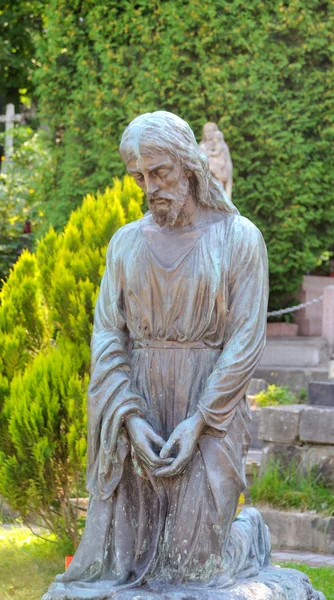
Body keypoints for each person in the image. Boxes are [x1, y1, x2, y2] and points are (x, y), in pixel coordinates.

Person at [43, 111, 269, 600]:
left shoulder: (239, 239)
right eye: (139, 177)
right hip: (141, 409)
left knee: (192, 565)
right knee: (124, 563)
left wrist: (201, 422)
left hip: (210, 410)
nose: (150, 187)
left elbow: (246, 339)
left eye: (160, 172)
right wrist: (126, 417)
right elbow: (108, 335)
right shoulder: (125, 243)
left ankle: (246, 532)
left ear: (189, 165)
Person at [199, 122, 233, 200]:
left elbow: (227, 164)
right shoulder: (202, 146)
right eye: (206, 131)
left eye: (210, 131)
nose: (208, 134)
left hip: (219, 178)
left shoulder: (222, 146)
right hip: (208, 178)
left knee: (219, 191)